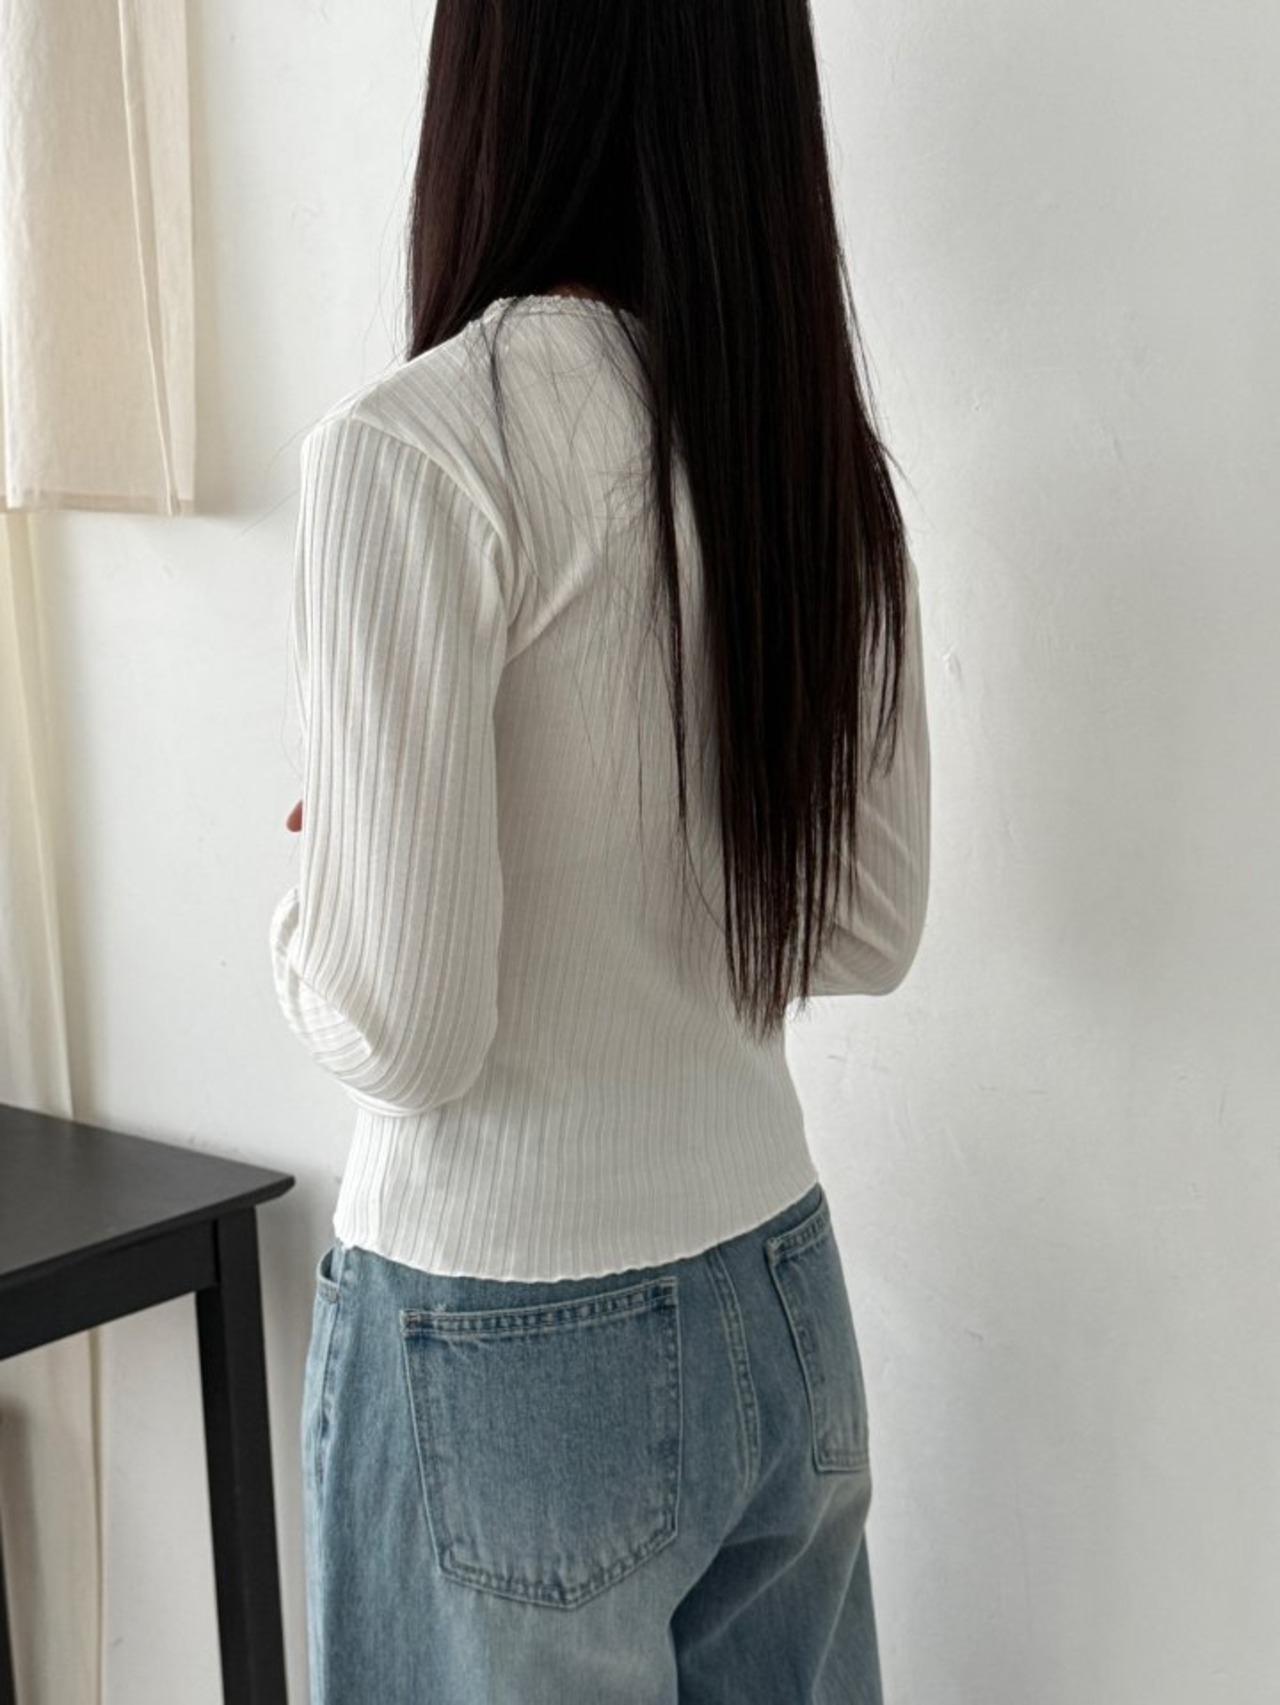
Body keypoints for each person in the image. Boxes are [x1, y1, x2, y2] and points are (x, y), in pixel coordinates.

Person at [270, 2, 930, 1699]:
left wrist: (313, 904)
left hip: (500, 1336)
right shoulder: (807, 456)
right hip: (776, 1284)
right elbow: (866, 927)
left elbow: (407, 1027)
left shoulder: (417, 451)